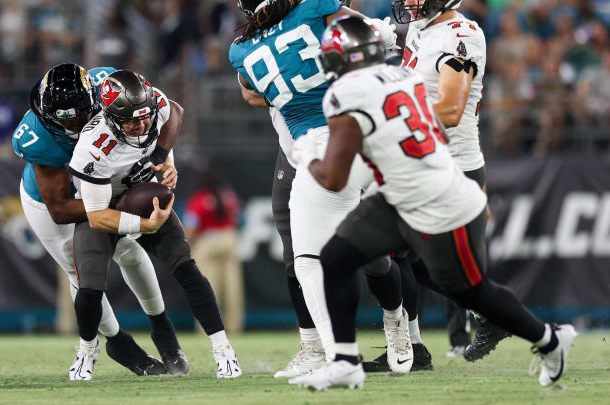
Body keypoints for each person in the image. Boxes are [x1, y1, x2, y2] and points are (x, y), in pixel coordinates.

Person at [289, 16, 577, 391]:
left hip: (438, 201)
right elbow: (429, 127)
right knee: (336, 258)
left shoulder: (345, 94)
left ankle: (551, 340)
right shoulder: (403, 78)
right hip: (403, 192)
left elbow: (332, 179)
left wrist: (306, 154)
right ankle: (345, 362)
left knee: (471, 291)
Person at [229, 0, 415, 377]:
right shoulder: (314, 8)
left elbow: (252, 92)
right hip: (366, 133)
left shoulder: (240, 50)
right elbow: (372, 33)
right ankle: (336, 343)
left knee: (308, 260)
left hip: (322, 146)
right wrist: (388, 37)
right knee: (345, 251)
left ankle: (340, 357)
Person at [12, 63, 185, 380]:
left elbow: (169, 110)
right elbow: (60, 209)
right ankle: (118, 343)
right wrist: (117, 207)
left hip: (105, 187)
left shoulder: (110, 87)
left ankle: (162, 326)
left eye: (76, 116)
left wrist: (163, 159)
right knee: (79, 269)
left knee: (131, 252)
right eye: (60, 118)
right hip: (57, 202)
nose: (70, 124)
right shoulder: (38, 136)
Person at [364, 0, 510, 371]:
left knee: (392, 253)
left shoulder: (461, 35)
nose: (407, 3)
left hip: (450, 167)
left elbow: (450, 108)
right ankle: (485, 313)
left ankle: (415, 350)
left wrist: (390, 120)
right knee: (410, 260)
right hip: (421, 161)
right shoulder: (420, 29)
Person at [67, 69, 242, 379]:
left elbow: (174, 112)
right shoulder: (92, 148)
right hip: (103, 206)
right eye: (132, 121)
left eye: (145, 117)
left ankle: (223, 349)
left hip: (140, 194)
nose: (142, 124)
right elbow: (96, 216)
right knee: (90, 287)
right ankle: (86, 349)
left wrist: (165, 159)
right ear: (110, 118)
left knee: (187, 268)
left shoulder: (153, 107)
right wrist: (143, 225)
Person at [183, 166, 244, 334]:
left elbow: (191, 228)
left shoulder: (199, 199)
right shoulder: (229, 197)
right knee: (233, 288)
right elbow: (238, 219)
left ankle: (207, 329)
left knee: (207, 288)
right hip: (229, 239)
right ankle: (234, 327)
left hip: (208, 242)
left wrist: (183, 246)